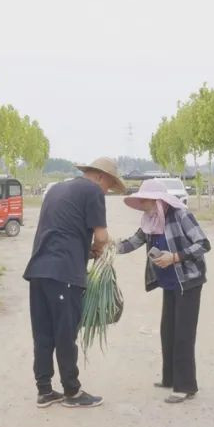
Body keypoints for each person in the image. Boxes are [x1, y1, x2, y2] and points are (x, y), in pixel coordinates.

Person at [23, 157, 126, 408]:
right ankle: (72, 391)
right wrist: (100, 248)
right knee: (65, 333)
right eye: (109, 185)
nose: (107, 191)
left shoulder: (56, 189)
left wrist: (84, 250)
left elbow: (61, 231)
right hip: (64, 273)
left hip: (38, 270)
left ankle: (44, 390)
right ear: (101, 177)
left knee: (43, 333)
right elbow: (101, 236)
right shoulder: (93, 191)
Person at [117, 179, 211, 404]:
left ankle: (185, 386)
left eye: (145, 200)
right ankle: (169, 378)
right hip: (169, 283)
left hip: (188, 281)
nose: (142, 204)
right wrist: (108, 247)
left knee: (183, 334)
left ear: (158, 201)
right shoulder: (150, 220)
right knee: (168, 330)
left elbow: (203, 244)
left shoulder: (180, 215)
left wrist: (175, 257)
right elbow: (132, 242)